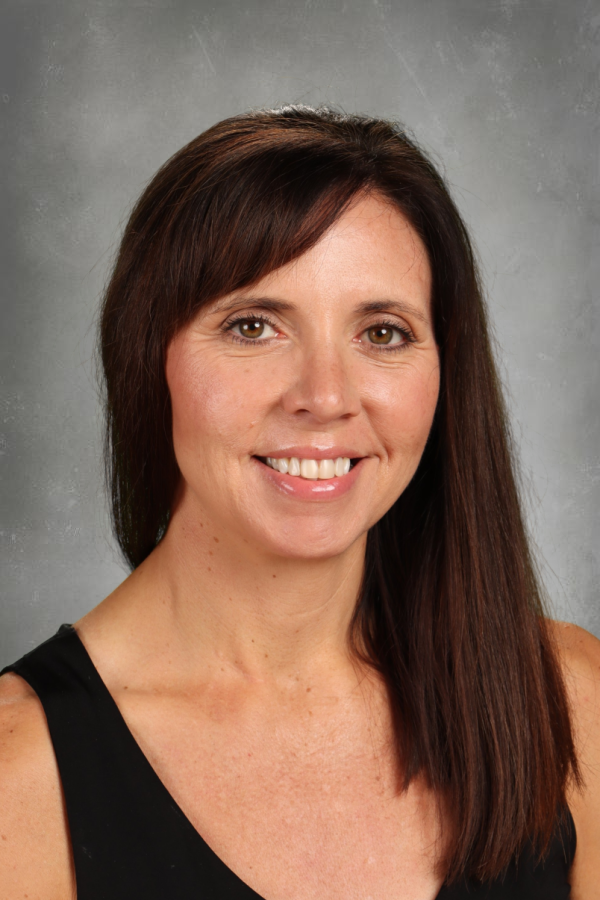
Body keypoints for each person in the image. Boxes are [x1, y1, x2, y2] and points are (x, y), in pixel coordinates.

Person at [0, 105, 598, 900]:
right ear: (148, 358)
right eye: (253, 326)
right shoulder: (20, 773)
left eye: (382, 333)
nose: (325, 397)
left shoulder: (569, 701)